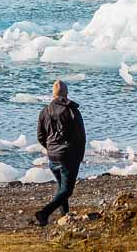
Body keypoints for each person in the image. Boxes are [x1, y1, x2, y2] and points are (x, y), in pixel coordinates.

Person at [34, 79, 86, 226]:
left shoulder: (44, 111)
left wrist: (50, 148)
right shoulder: (71, 110)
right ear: (66, 93)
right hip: (67, 156)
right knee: (67, 190)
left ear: (53, 94)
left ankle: (65, 215)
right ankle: (44, 213)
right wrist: (79, 155)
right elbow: (81, 136)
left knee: (62, 187)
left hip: (52, 157)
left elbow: (40, 136)